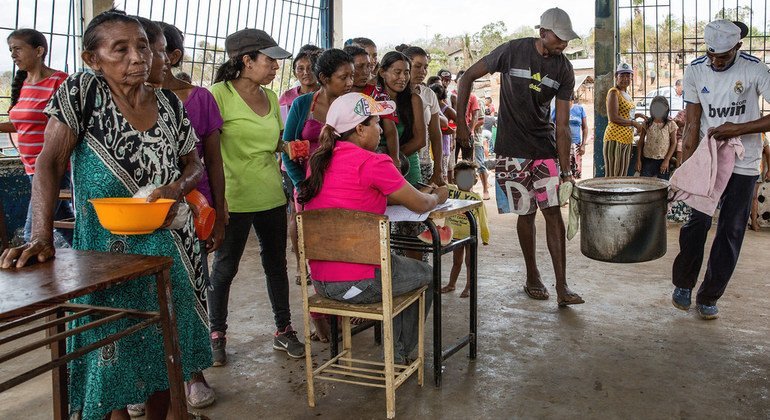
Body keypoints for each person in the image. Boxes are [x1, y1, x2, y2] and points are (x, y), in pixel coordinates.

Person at [1, 10, 212, 419]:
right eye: (121, 49)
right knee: (109, 347)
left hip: (172, 247)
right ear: (92, 59)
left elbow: (194, 164)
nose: (139, 57)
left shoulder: (169, 102)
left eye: (144, 46)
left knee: (166, 343)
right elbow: (48, 162)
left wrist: (178, 188)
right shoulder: (84, 92)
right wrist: (41, 237)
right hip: (106, 251)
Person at [297, 92, 448, 365]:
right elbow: (421, 203)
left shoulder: (318, 162)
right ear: (359, 129)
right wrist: (440, 195)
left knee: (397, 269)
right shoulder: (374, 162)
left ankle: (395, 348)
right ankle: (399, 354)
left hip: (321, 282)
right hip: (359, 283)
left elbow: (356, 193)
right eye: (377, 123)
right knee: (426, 274)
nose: (381, 129)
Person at [455, 7, 584, 307]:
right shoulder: (513, 51)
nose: (563, 44)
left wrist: (566, 170)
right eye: (559, 38)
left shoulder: (564, 69)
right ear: (542, 33)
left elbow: (563, 125)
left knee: (553, 212)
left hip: (543, 148)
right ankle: (532, 276)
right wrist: (461, 124)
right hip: (511, 149)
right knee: (526, 214)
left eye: (567, 39)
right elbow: (467, 78)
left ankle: (563, 286)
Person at [207, 28, 304, 362]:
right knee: (225, 268)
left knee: (276, 265)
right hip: (232, 198)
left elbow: (274, 142)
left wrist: (288, 146)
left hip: (270, 196)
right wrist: (214, 202)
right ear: (246, 61)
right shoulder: (217, 95)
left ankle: (284, 330)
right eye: (270, 60)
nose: (276, 67)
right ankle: (216, 334)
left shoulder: (271, 99)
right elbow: (206, 148)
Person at [671, 19, 770, 320]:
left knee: (731, 230)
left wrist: (737, 128)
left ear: (738, 47)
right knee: (695, 222)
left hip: (744, 162)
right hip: (708, 159)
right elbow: (691, 124)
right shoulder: (696, 70)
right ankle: (684, 285)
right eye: (711, 54)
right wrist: (683, 169)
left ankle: (710, 295)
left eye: (723, 56)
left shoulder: (755, 69)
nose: (716, 61)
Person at [157, 20, 225, 409]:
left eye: (147, 48)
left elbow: (209, 161)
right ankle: (148, 380)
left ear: (172, 55)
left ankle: (193, 371)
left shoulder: (196, 99)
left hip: (191, 211)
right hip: (141, 215)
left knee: (191, 287)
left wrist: (221, 207)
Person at [282, 48, 354, 342]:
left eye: (352, 75)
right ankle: (319, 316)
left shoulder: (356, 104)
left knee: (346, 253)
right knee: (317, 255)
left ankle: (344, 311)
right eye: (343, 77)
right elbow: (289, 148)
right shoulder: (302, 105)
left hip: (347, 188)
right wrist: (301, 183)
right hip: (311, 189)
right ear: (323, 78)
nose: (350, 82)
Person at [1, 28, 74, 245]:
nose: (13, 55)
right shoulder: (23, 85)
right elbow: (20, 123)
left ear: (39, 50)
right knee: (62, 221)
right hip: (30, 167)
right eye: (10, 50)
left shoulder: (59, 82)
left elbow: (72, 123)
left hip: (55, 167)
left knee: (32, 234)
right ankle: (93, 256)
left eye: (18, 49)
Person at [441, 160, 490, 297]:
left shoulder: (476, 198)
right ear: (454, 179)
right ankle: (451, 284)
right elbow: (439, 184)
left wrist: (485, 237)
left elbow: (483, 219)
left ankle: (469, 286)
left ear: (475, 181)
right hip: (454, 235)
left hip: (470, 236)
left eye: (470, 178)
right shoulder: (450, 191)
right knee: (456, 262)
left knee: (470, 262)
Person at [398, 45, 444, 186]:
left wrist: (438, 170)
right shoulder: (393, 94)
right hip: (396, 160)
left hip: (422, 162)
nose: (423, 71)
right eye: (417, 66)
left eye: (425, 67)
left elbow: (436, 135)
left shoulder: (428, 94)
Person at [604, 62, 646, 177]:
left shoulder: (626, 94)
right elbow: (613, 117)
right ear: (616, 77)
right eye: (622, 76)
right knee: (613, 176)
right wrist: (634, 123)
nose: (625, 79)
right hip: (615, 138)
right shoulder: (614, 92)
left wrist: (638, 115)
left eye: (628, 76)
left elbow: (625, 114)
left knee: (622, 176)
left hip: (627, 138)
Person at [635, 96, 677, 180]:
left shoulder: (670, 124)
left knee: (662, 185)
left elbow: (674, 143)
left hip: (663, 160)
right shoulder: (647, 123)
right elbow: (641, 142)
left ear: (666, 108)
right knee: (645, 185)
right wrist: (638, 160)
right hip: (647, 160)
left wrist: (667, 160)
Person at [550, 93, 587, 178]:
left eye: (568, 101)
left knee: (575, 174)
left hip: (576, 146)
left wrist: (583, 145)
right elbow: (552, 126)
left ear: (572, 101)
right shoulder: (557, 110)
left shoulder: (580, 109)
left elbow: (585, 128)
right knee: (562, 174)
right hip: (561, 145)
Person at [278, 44, 322, 115]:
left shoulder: (327, 93)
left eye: (311, 68)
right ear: (294, 73)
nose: (306, 72)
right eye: (300, 69)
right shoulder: (287, 97)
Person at [429, 82, 455, 181]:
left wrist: (450, 134)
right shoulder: (433, 106)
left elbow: (455, 125)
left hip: (443, 145)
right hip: (433, 146)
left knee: (442, 174)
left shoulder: (446, 108)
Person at [749, 134, 770, 231]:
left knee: (753, 197)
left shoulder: (762, 136)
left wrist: (769, 170)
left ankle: (753, 222)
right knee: (747, 197)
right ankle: (745, 222)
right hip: (742, 170)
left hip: (755, 170)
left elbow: (768, 152)